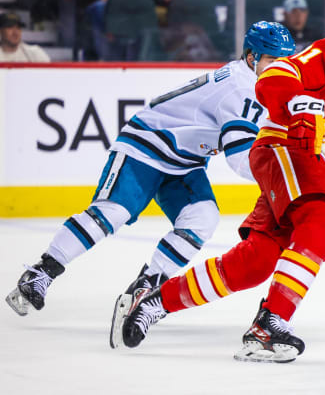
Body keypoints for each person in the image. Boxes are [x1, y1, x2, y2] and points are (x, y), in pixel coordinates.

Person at [120, 8, 325, 363]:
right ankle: (270, 325)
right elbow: (278, 74)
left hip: (316, 177)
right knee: (323, 223)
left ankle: (156, 301)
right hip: (283, 147)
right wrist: (298, 103)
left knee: (255, 263)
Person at [5, 22, 295, 334]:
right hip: (145, 146)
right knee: (112, 213)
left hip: (184, 161)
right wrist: (289, 176)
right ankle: (41, 272)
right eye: (272, 61)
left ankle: (147, 284)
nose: (280, 69)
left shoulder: (255, 84)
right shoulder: (243, 90)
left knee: (203, 217)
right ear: (252, 58)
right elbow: (241, 161)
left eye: (286, 61)